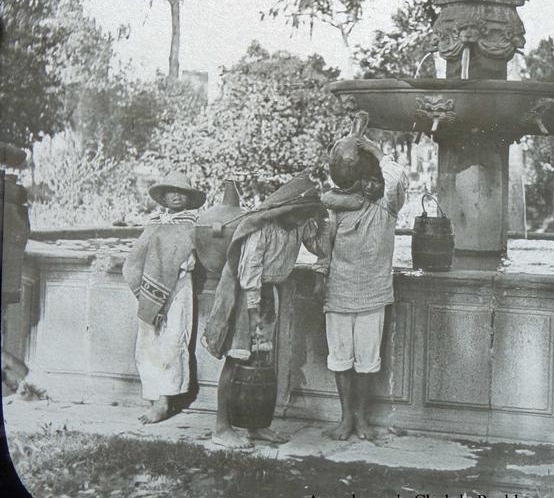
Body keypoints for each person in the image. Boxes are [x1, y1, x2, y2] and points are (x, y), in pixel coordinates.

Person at [202, 173, 328, 450]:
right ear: (287, 209)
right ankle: (222, 428)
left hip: (269, 293)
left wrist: (326, 227)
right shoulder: (262, 228)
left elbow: (320, 247)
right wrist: (254, 312)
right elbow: (249, 272)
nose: (303, 219)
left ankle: (256, 426)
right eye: (301, 213)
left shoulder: (299, 225)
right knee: (238, 358)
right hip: (244, 295)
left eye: (308, 214)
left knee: (261, 359)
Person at [318, 137, 408, 441]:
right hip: (339, 292)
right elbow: (325, 247)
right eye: (364, 180)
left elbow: (396, 177)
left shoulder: (387, 207)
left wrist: (374, 150)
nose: (371, 186)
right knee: (341, 359)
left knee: (367, 362)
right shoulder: (340, 206)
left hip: (373, 294)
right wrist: (320, 275)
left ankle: (362, 419)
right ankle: (345, 419)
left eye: (375, 180)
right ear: (355, 181)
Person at [123, 171, 206, 424]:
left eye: (182, 192)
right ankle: (152, 395)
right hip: (151, 289)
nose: (176, 196)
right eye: (171, 191)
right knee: (147, 340)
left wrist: (167, 284)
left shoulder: (192, 224)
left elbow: (189, 259)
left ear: (190, 198)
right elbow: (137, 259)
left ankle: (165, 400)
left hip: (179, 288)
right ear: (163, 196)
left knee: (172, 341)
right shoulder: (156, 221)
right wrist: (149, 291)